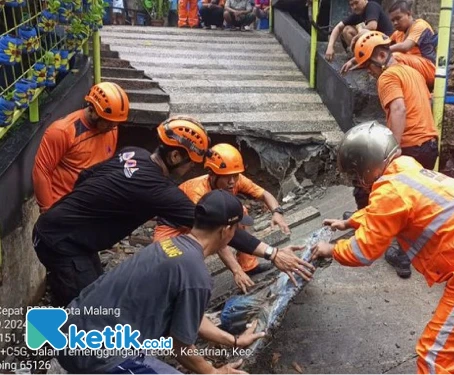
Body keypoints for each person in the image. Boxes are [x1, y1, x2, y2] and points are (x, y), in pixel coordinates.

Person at [311, 122, 454, 374]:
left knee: (437, 357)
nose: (356, 181)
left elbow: (362, 251)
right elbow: (390, 212)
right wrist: (350, 221)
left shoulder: (390, 191)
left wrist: (332, 249)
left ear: (366, 166)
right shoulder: (408, 172)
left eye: (355, 174)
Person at [32, 115, 314, 307]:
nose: (190, 168)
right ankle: (70, 359)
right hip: (61, 242)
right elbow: (218, 228)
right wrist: (273, 253)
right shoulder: (158, 190)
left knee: (96, 291)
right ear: (176, 155)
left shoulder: (133, 153)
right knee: (87, 309)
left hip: (69, 233)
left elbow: (86, 178)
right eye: (189, 161)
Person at [57, 190, 265, 375]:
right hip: (97, 356)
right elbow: (181, 347)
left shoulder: (166, 247)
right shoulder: (195, 274)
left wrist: (234, 341)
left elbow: (192, 318)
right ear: (225, 230)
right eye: (236, 228)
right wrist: (214, 372)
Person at [346, 31, 439, 278]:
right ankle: (401, 248)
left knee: (367, 183)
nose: (369, 72)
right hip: (429, 143)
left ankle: (371, 230)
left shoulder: (387, 76)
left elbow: (398, 108)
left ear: (381, 55)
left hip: (409, 145)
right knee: (413, 200)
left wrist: (393, 150)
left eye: (368, 66)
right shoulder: (412, 71)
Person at [154, 143, 290, 279]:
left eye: (235, 175)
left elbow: (264, 194)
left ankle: (249, 266)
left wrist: (277, 212)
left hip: (202, 223)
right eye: (226, 177)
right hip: (173, 228)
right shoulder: (197, 193)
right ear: (212, 174)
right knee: (171, 262)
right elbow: (213, 234)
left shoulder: (235, 179)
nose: (232, 182)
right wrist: (236, 271)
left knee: (240, 212)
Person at [32, 82, 130, 213]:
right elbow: (42, 171)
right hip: (64, 206)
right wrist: (48, 212)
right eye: (109, 122)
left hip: (92, 206)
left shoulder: (111, 129)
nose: (113, 127)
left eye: (116, 123)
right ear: (94, 111)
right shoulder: (62, 131)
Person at [325, 0, 394, 61]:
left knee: (350, 30)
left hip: (386, 45)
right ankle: (359, 57)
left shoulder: (372, 6)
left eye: (356, 2)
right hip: (374, 44)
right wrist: (330, 47)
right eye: (352, 5)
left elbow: (372, 26)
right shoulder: (357, 14)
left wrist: (356, 38)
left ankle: (362, 58)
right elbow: (338, 27)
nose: (354, 7)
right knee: (347, 30)